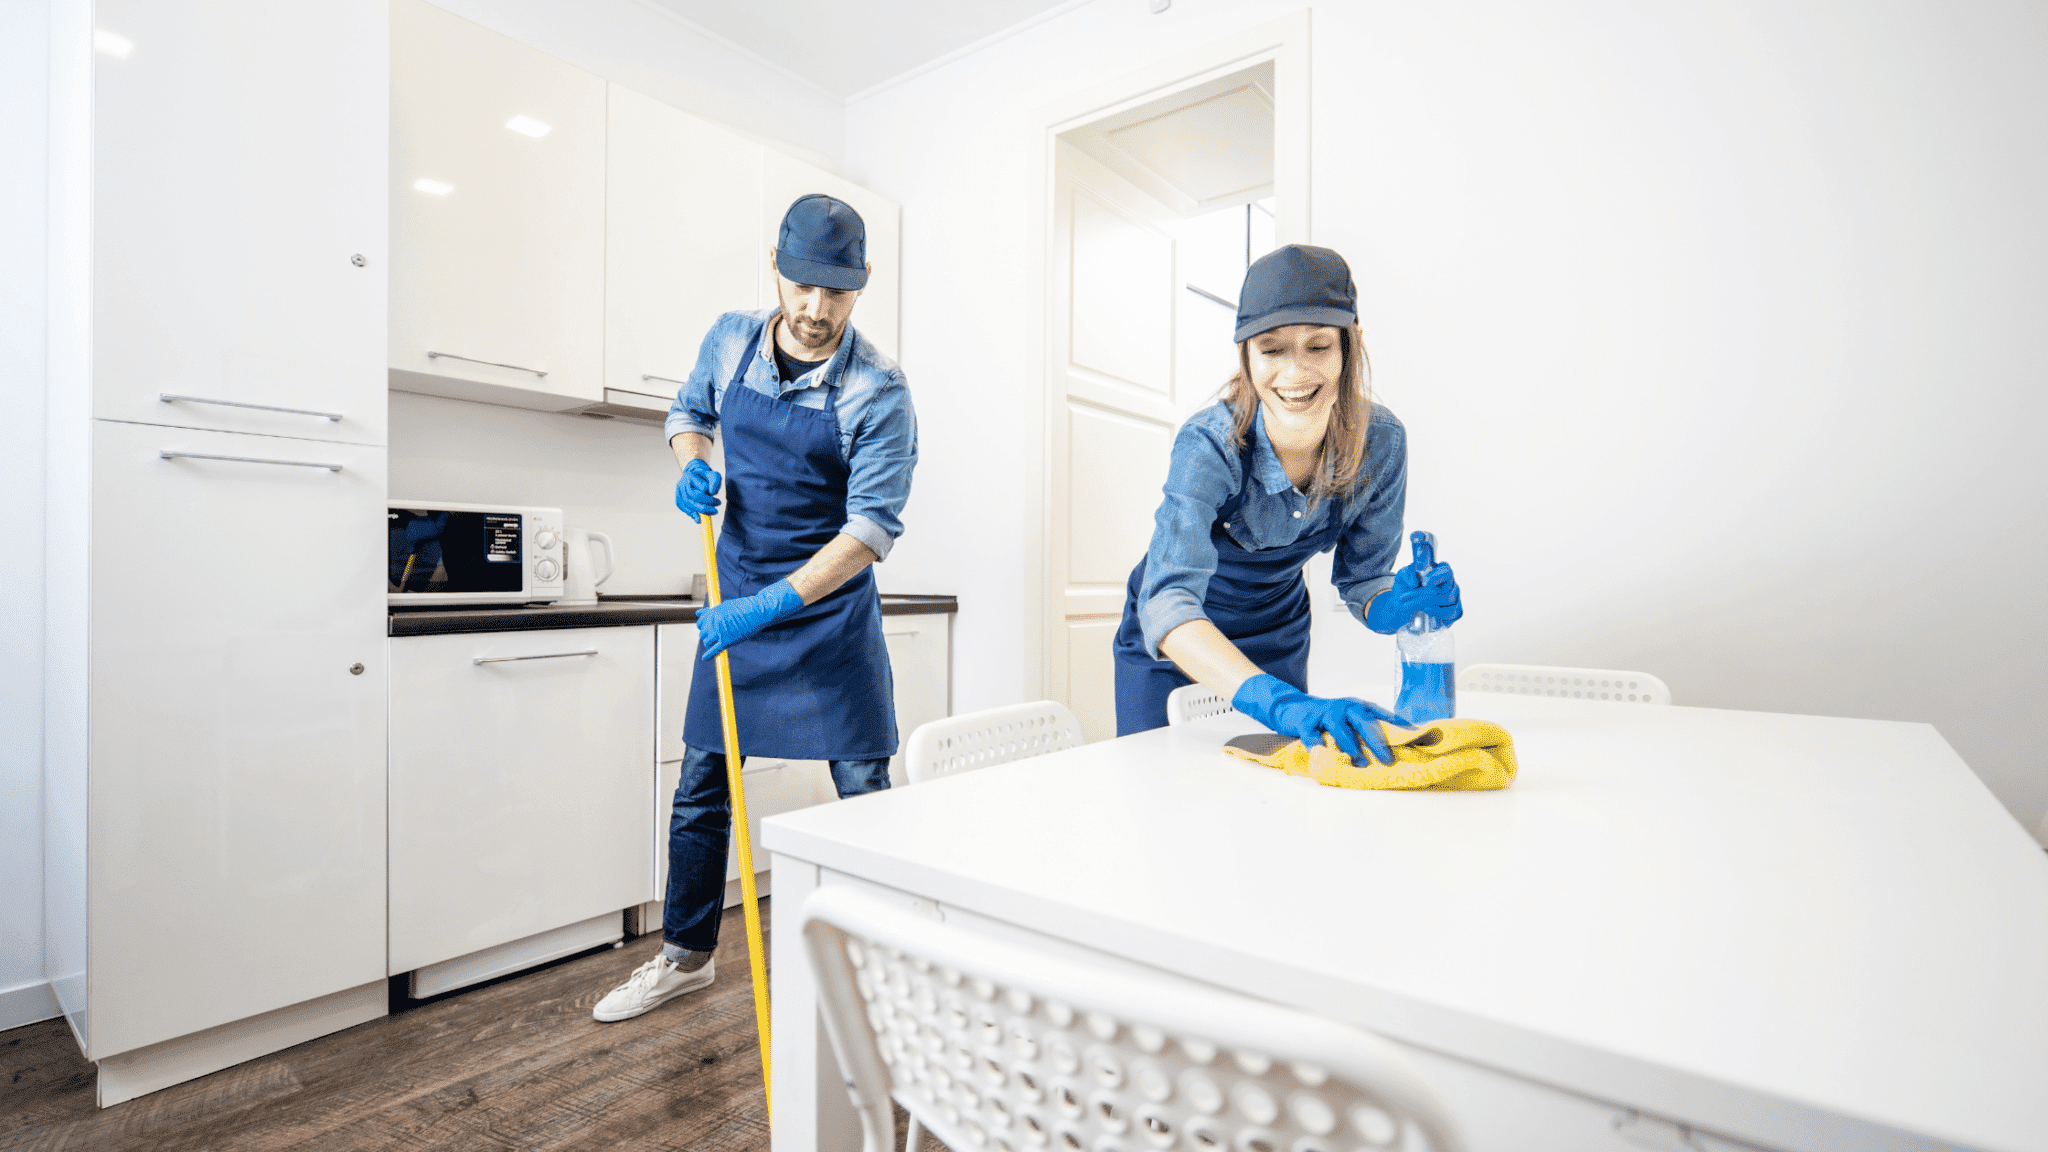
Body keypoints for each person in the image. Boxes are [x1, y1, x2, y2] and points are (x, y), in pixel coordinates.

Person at [593, 194, 917, 1022]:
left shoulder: (879, 389)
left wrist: (770, 606)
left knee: (865, 790)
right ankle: (685, 957)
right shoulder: (731, 337)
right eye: (802, 286)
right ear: (774, 265)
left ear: (863, 282)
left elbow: (871, 531)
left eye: (837, 293)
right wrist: (691, 461)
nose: (815, 311)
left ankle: (894, 969)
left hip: (825, 610)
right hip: (737, 587)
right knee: (703, 783)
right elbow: (688, 413)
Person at [1112, 244, 1462, 762]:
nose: (1295, 374)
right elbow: (1166, 600)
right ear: (1246, 355)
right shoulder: (1210, 445)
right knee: (1162, 787)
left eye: (1318, 347)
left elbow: (1364, 578)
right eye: (1272, 350)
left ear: (1350, 345)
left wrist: (1394, 607)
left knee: (1276, 800)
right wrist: (1276, 703)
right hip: (1177, 643)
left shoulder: (1382, 442)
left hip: (1279, 633)